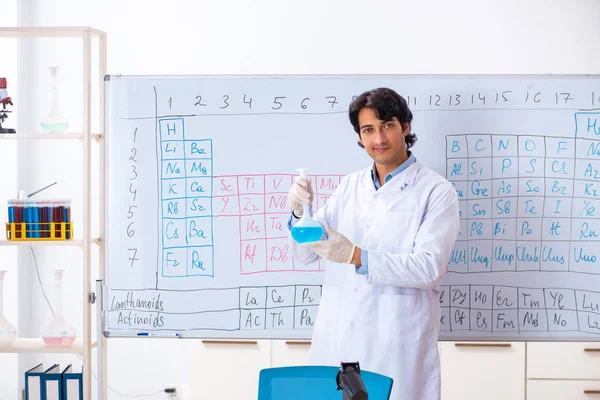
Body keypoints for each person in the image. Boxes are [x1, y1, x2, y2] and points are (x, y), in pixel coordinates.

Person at [287, 87, 460, 400]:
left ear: (405, 127)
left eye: (387, 126)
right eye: (368, 130)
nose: (379, 139)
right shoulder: (350, 185)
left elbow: (428, 268)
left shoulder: (436, 192)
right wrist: (301, 214)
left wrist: (355, 255)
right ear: (359, 136)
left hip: (395, 347)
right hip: (339, 342)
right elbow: (306, 254)